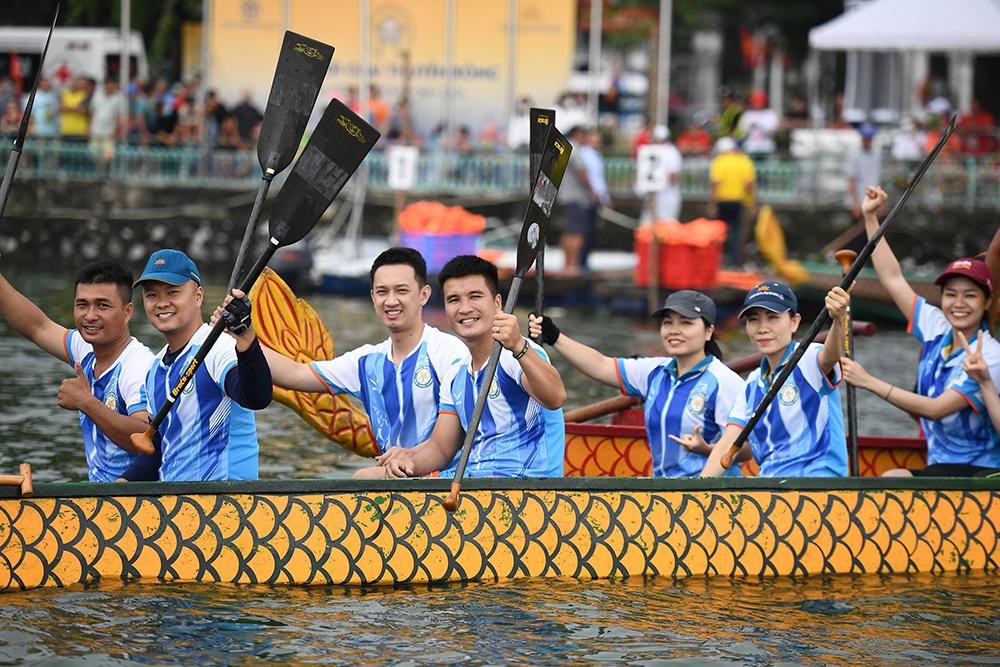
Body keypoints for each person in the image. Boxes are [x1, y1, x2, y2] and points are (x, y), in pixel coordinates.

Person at [355, 255, 567, 479]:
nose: (465, 308)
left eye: (475, 297)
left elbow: (556, 398)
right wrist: (407, 463)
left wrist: (518, 346)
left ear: (497, 303)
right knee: (367, 477)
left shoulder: (518, 354)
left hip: (526, 487)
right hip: (471, 483)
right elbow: (440, 448)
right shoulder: (456, 374)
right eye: (454, 300)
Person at [839, 186, 1000, 476]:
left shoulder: (989, 354)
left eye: (970, 296)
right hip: (939, 464)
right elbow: (892, 278)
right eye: (951, 294)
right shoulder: (937, 326)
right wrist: (871, 218)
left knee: (891, 479)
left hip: (981, 472)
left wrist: (868, 382)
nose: (959, 304)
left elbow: (935, 409)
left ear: (987, 302)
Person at [258, 248, 469, 455]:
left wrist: (410, 463)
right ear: (373, 296)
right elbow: (296, 374)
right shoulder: (366, 361)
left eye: (401, 291)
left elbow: (466, 430)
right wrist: (243, 338)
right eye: (382, 292)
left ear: (424, 295)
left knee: (363, 476)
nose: (391, 301)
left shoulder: (448, 352)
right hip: (394, 477)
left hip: (447, 478)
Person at [529, 290, 742, 477]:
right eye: (668, 322)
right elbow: (601, 365)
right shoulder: (654, 371)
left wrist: (707, 449)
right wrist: (555, 337)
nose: (673, 330)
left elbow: (748, 448)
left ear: (708, 331)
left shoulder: (724, 381)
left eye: (686, 323)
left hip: (716, 494)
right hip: (668, 492)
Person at [120, 249, 272, 482]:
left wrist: (245, 335)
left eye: (173, 292)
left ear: (198, 296)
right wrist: (120, 487)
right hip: (178, 505)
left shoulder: (218, 347)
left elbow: (256, 397)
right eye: (152, 295)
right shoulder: (154, 371)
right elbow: (161, 445)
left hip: (228, 504)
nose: (162, 303)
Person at [0, 262, 153, 482]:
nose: (90, 316)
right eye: (82, 304)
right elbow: (37, 327)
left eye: (102, 306)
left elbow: (145, 440)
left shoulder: (138, 365)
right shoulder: (85, 347)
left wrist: (85, 402)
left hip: (135, 499)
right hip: (99, 494)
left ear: (128, 312)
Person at [689, 281, 850, 477]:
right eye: (753, 320)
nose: (762, 328)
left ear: (794, 322)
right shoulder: (751, 384)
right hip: (770, 486)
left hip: (818, 484)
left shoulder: (809, 357)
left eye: (773, 318)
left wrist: (839, 319)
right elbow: (727, 443)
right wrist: (698, 491)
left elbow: (830, 355)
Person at [558, 126, 600, 275]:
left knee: (570, 231)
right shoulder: (574, 150)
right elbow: (583, 174)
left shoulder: (563, 149)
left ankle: (567, 264)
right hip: (578, 197)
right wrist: (593, 192)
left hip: (566, 195)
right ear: (577, 134)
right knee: (578, 232)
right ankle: (572, 265)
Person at [708, 137, 756, 266]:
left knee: (720, 232)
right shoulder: (744, 161)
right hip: (738, 201)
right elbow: (749, 185)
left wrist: (712, 203)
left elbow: (715, 184)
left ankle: (719, 261)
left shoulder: (719, 161)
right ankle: (736, 263)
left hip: (722, 201)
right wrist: (752, 203)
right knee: (737, 233)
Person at [844, 123, 882, 252]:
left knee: (872, 235)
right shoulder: (853, 154)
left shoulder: (877, 153)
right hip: (859, 200)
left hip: (872, 200)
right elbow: (851, 179)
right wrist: (855, 204)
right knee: (857, 237)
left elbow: (878, 177)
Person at [738, 90, 779, 159]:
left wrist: (761, 127)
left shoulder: (770, 114)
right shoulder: (748, 114)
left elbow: (774, 129)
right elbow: (742, 129)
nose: (758, 104)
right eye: (756, 101)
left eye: (760, 101)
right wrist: (750, 127)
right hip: (751, 147)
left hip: (766, 147)